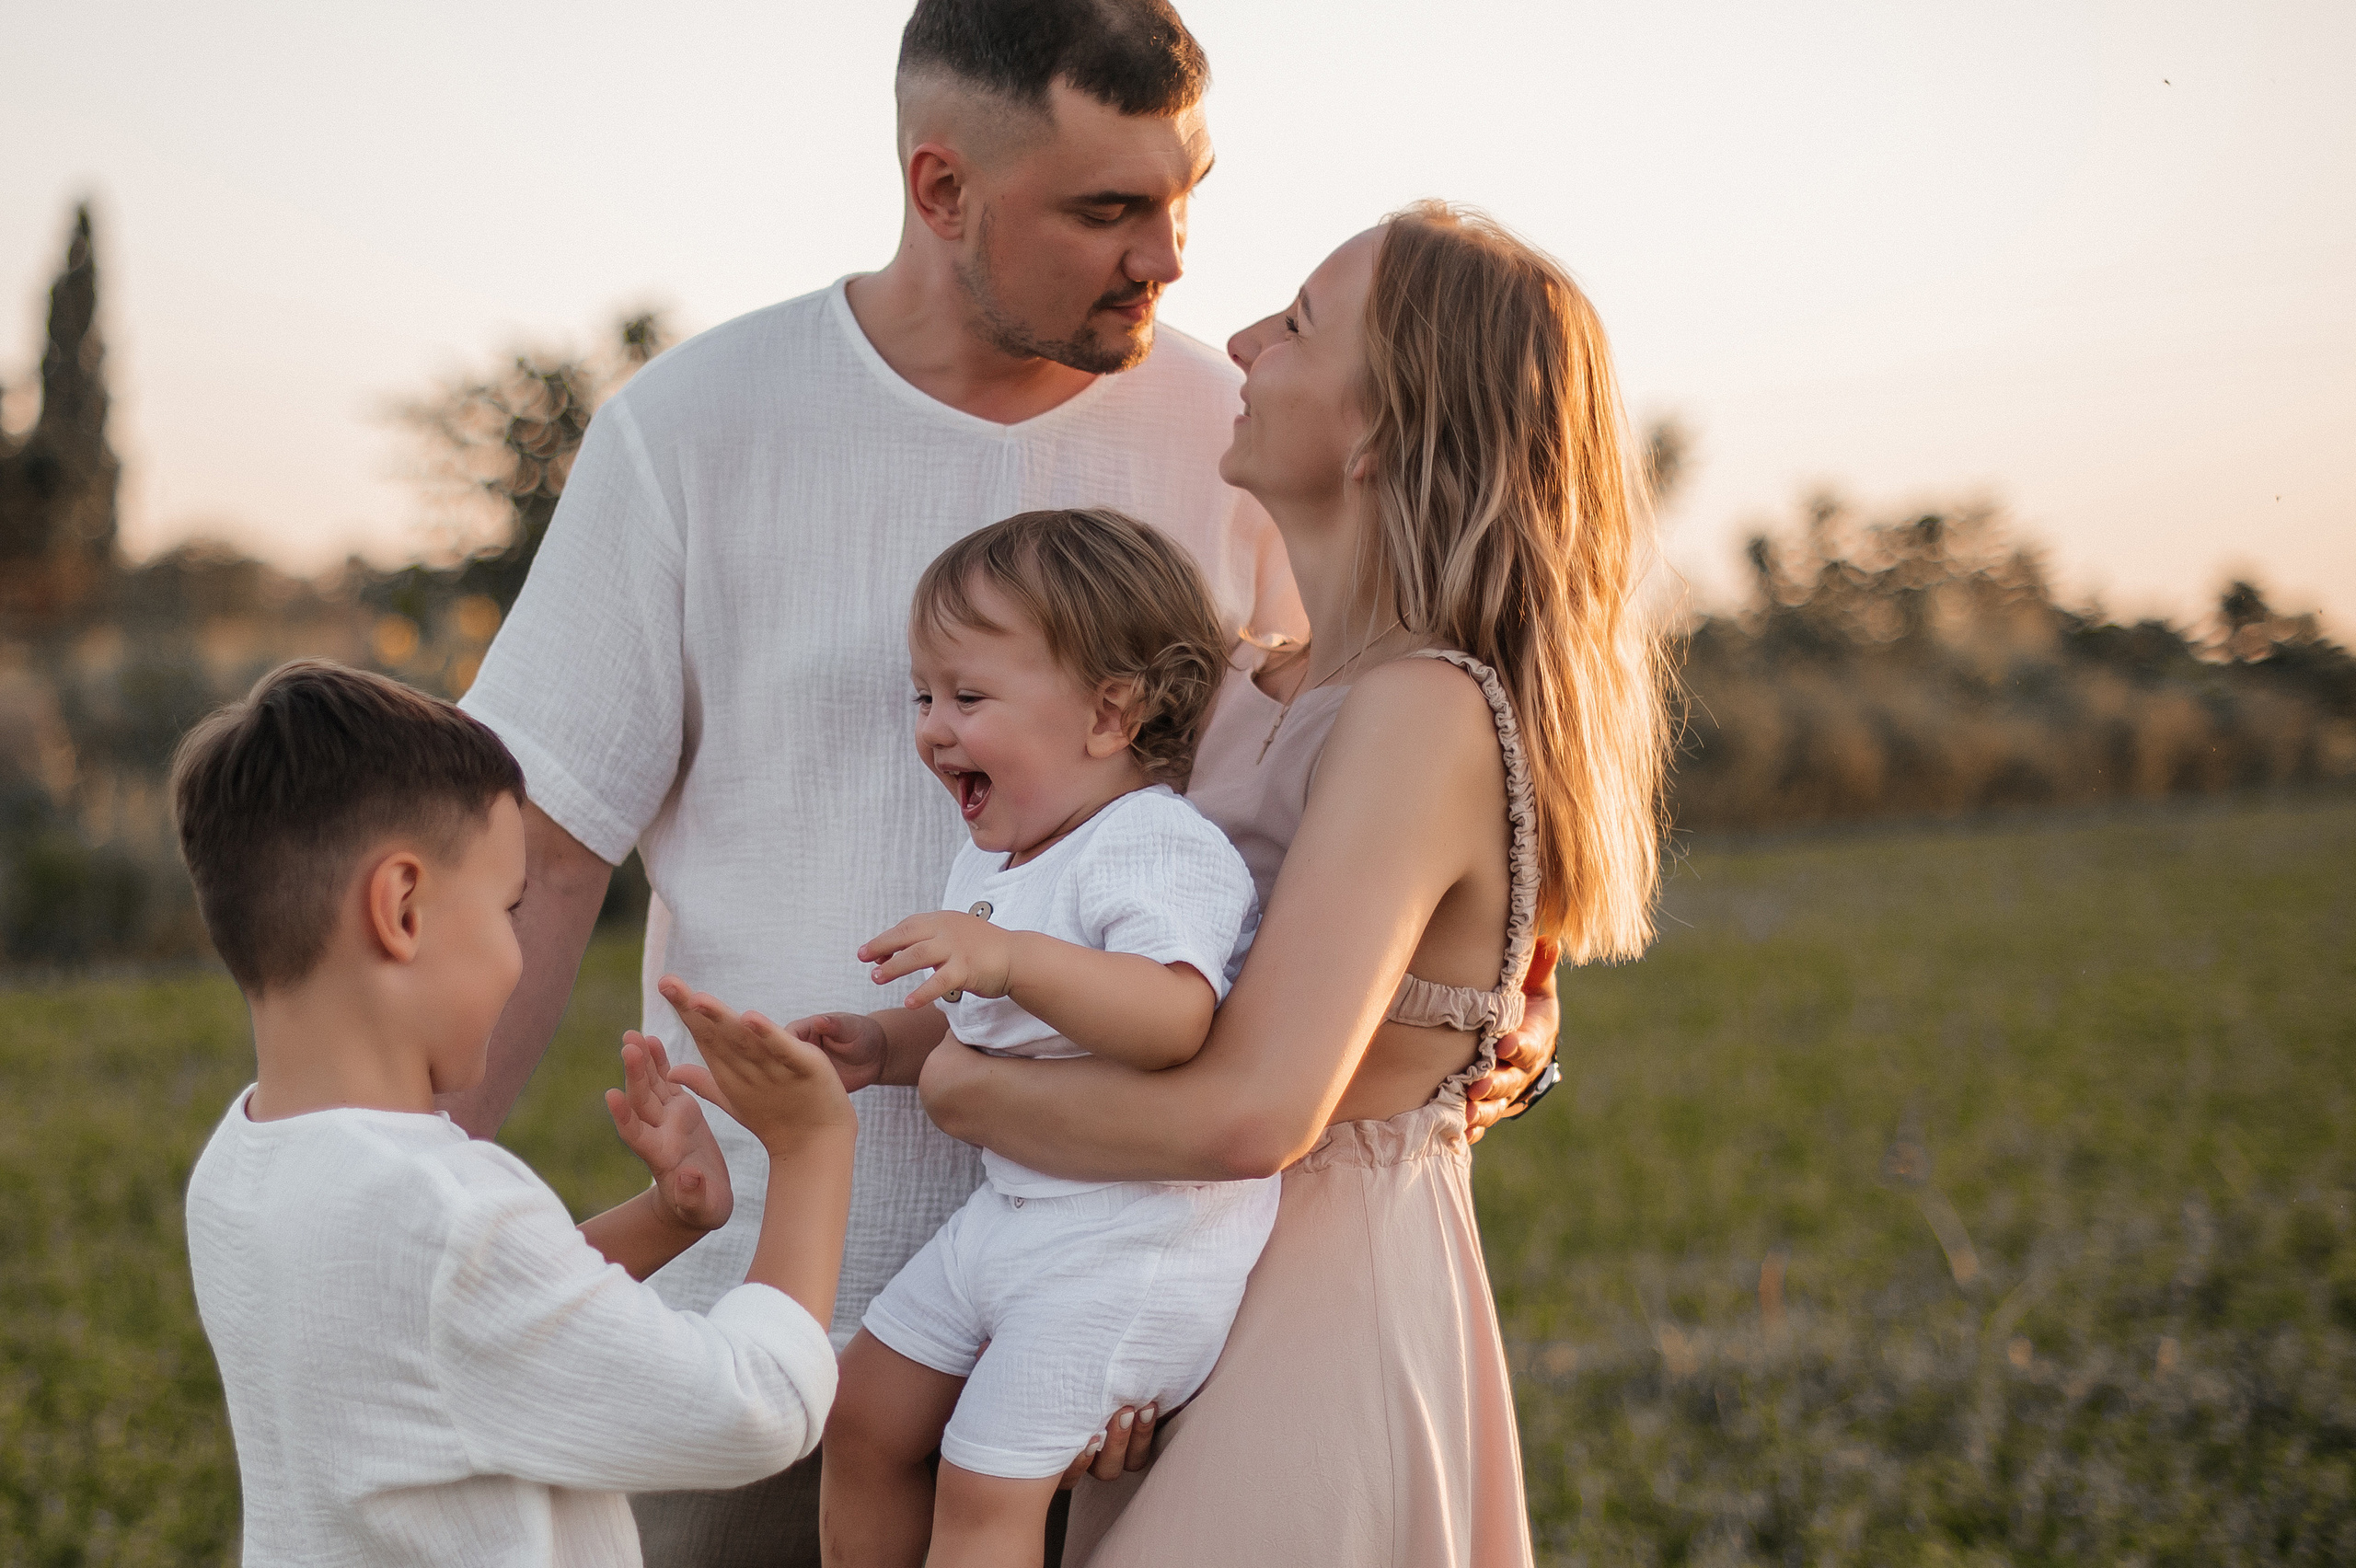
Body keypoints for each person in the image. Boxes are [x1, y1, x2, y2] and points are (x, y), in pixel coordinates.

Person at [450, 0, 1558, 1556]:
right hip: (763, 1311)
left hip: (1109, 1347)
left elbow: (1353, 809)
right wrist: (412, 1191)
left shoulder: (1227, 435)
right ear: (942, 189)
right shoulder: (694, 431)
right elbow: (542, 859)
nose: (1170, 260)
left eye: (1184, 198)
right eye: (1109, 210)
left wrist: (1492, 1007)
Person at [919, 202, 1670, 1567]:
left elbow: (1259, 1106)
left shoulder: (1423, 711)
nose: (1248, 340)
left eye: (1302, 323)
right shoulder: (1232, 684)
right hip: (1169, 1285)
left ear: (1383, 429)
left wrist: (966, 1092)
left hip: (1318, 1323)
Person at [175, 661, 857, 1566]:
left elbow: (438, 1331)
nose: (513, 953)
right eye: (507, 906)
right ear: (402, 908)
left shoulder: (242, 1161)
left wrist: (664, 1220)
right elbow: (754, 1408)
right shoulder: (448, 1210)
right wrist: (813, 1146)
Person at [781, 511, 1271, 1566]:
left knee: (984, 1491)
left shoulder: (1153, 844)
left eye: (967, 697)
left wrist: (1009, 960)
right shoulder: (1007, 860)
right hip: (1015, 1219)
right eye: (924, 696)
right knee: (860, 1418)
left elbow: (1173, 1017)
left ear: (1109, 714)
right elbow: (993, 1026)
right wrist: (883, 1046)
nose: (933, 728)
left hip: (1128, 1248)